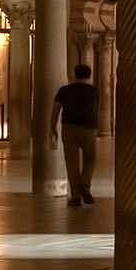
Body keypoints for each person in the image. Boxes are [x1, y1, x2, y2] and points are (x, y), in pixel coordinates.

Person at [51, 64, 100, 206]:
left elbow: (55, 110)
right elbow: (96, 109)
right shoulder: (94, 91)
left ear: (75, 74)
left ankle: (76, 197)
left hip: (69, 127)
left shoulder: (64, 90)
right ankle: (85, 184)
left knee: (71, 162)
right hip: (89, 128)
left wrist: (52, 128)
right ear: (89, 75)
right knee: (90, 158)